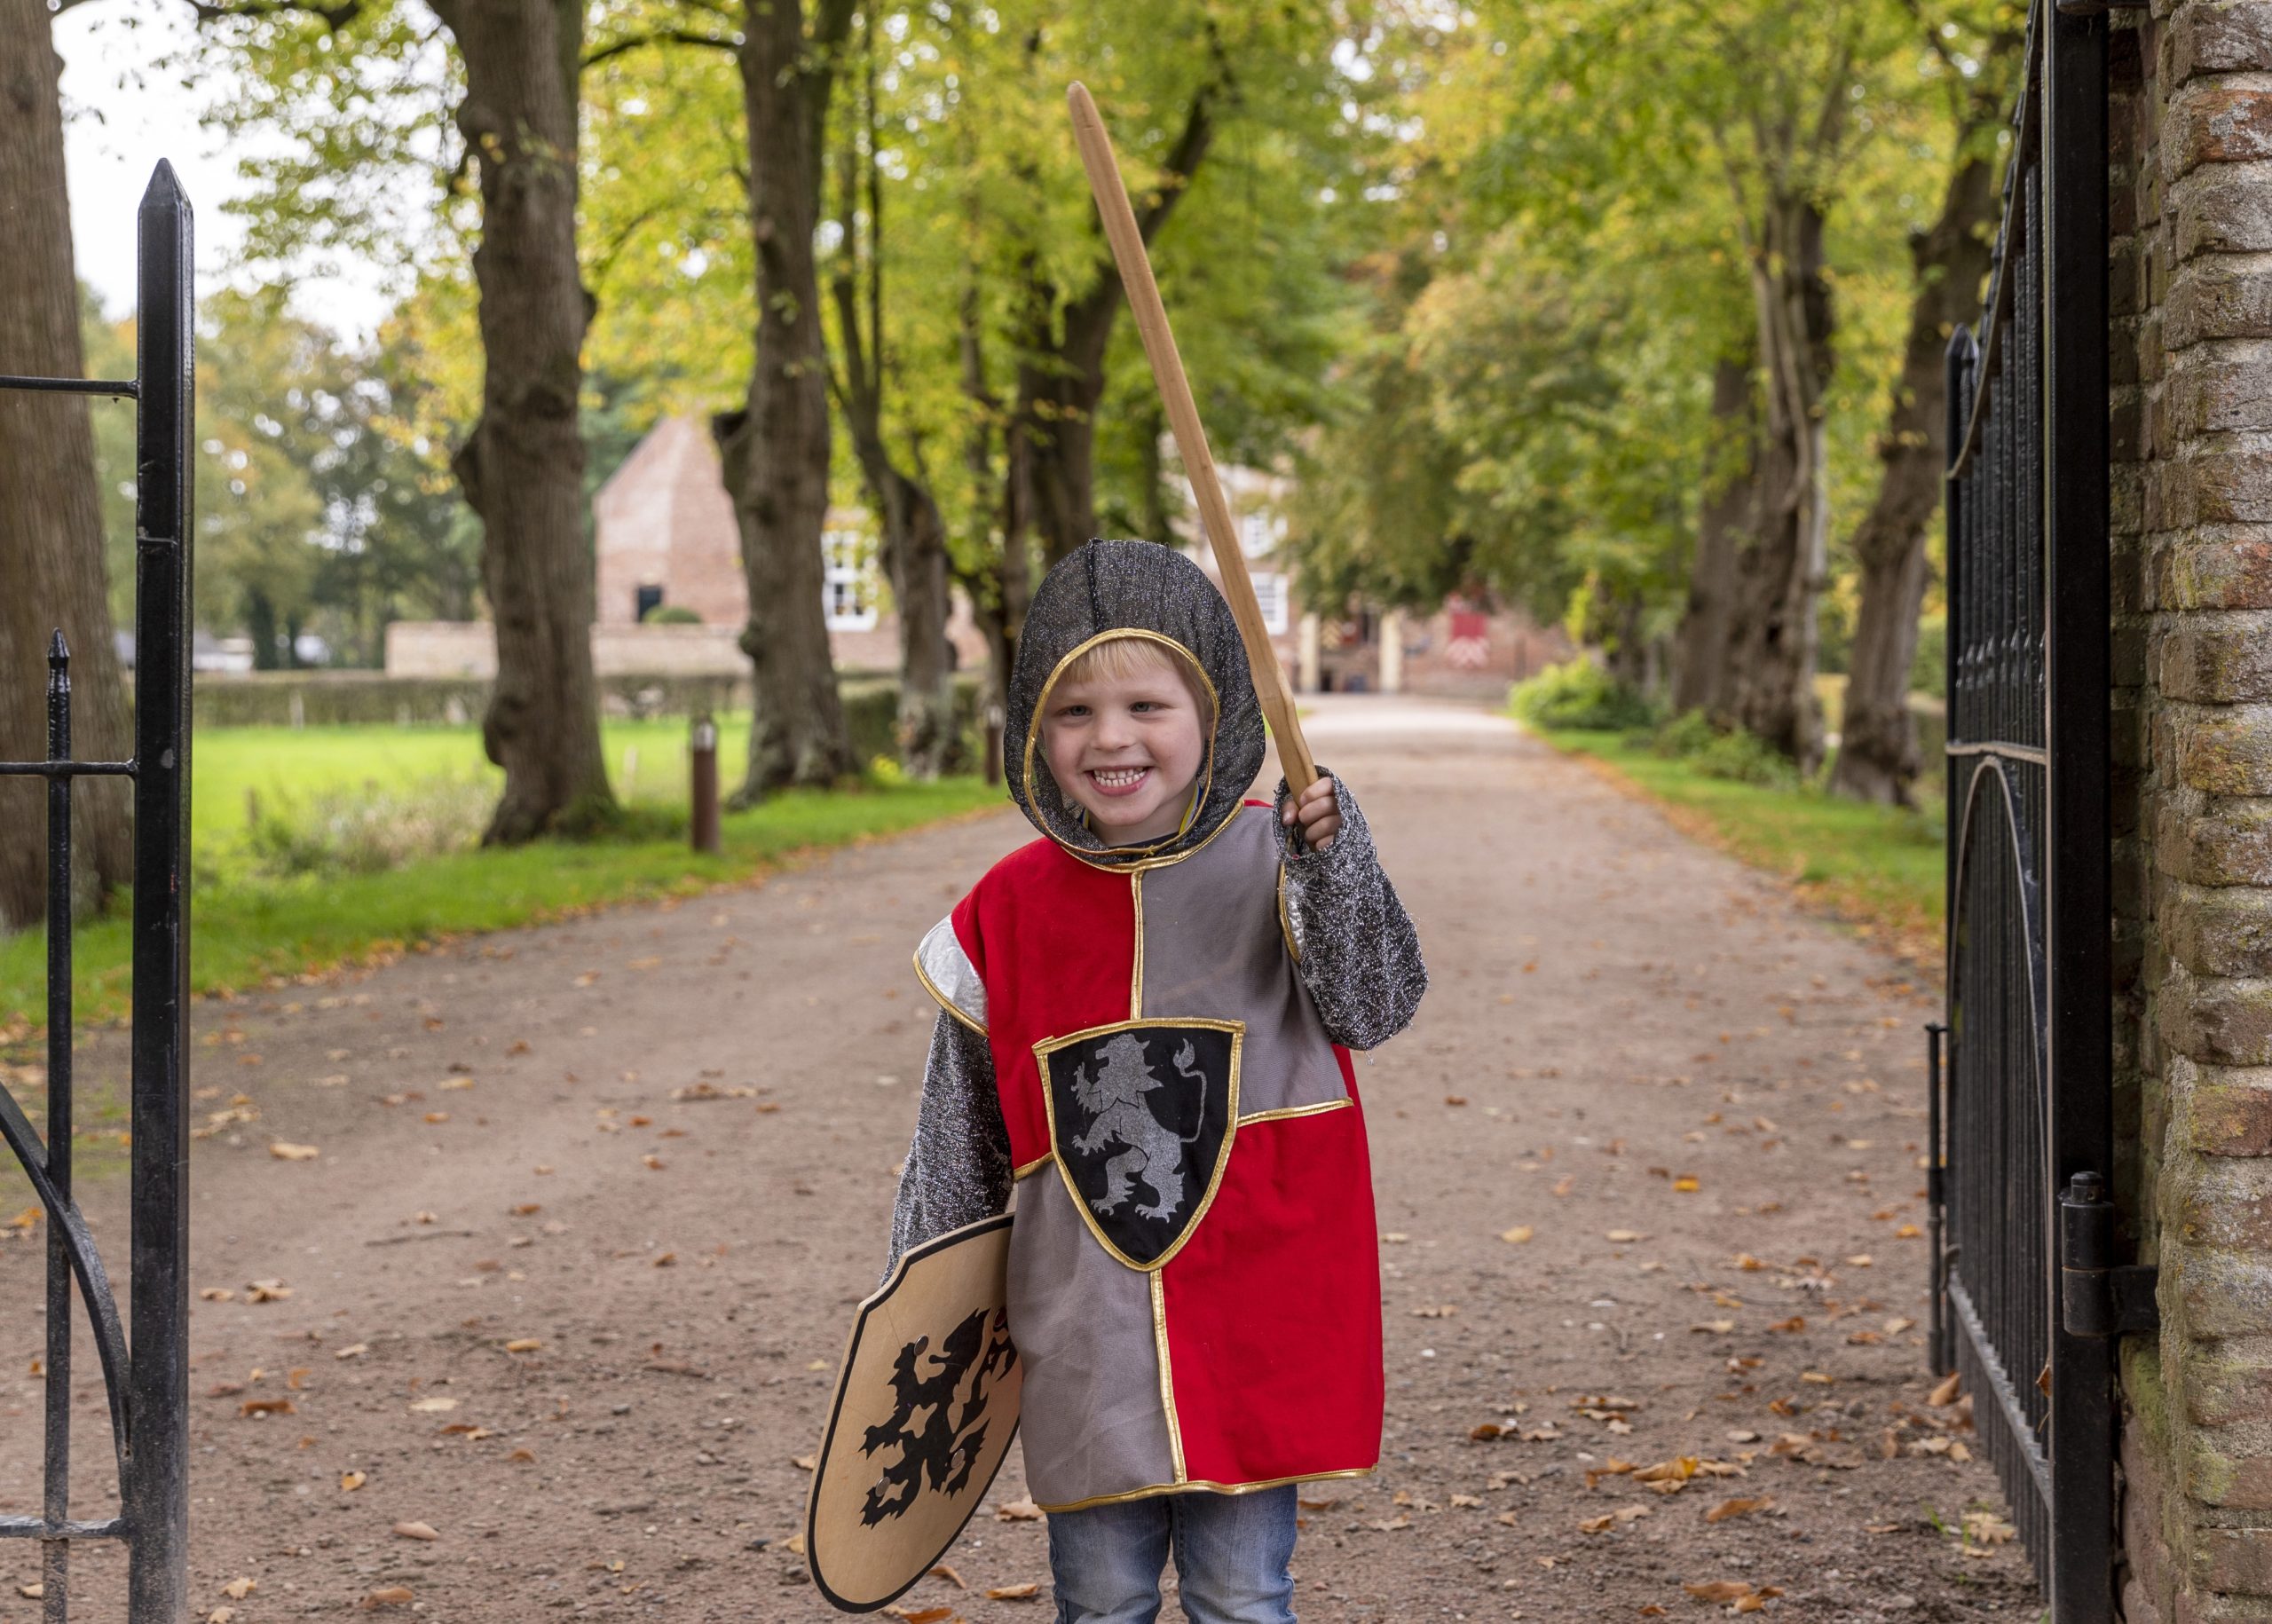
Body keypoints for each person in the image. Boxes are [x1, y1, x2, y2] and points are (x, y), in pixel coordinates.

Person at [888, 539, 1427, 1624]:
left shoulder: (1288, 864)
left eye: (1146, 705)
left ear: (1213, 711)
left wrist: (1341, 861)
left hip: (1252, 1304)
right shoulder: (1007, 908)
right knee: (1101, 1602)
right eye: (1073, 713)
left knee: (1240, 1597)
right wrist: (921, 1315)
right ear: (1035, 733)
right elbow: (961, 1143)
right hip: (1081, 1316)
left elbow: (1374, 1003)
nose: (1112, 739)